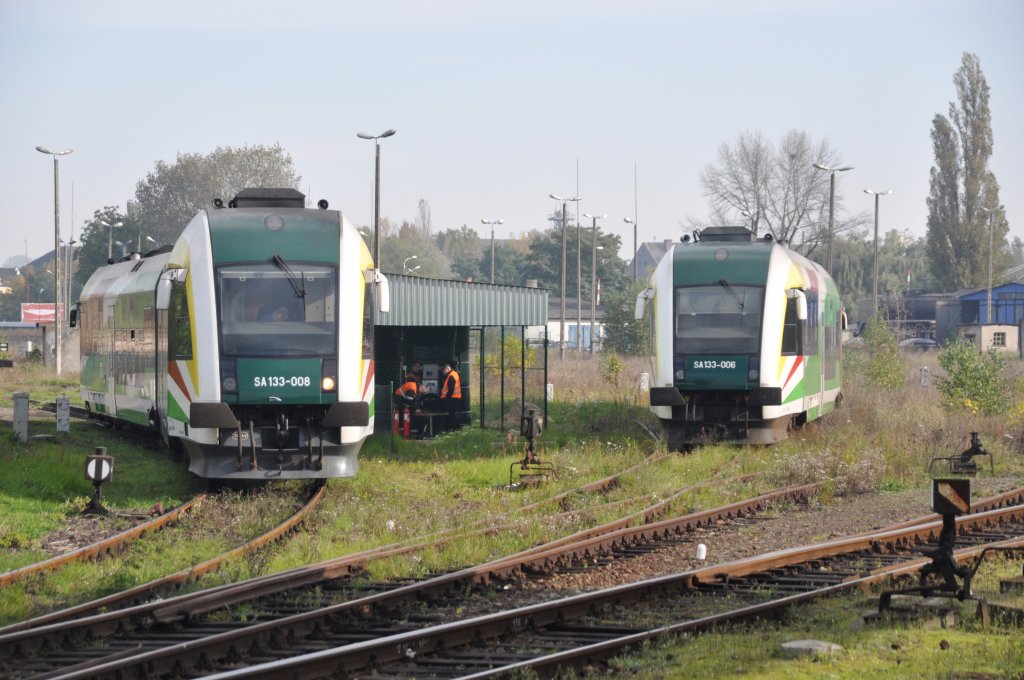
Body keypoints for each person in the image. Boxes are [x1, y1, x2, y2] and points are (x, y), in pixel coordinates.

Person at [438, 361, 462, 432]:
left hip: (452, 399)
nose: (443, 372)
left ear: (447, 369)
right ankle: (453, 429)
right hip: (455, 398)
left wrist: (446, 398)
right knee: (452, 414)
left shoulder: (451, 375)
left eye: (443, 370)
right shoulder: (453, 374)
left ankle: (452, 429)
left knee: (452, 415)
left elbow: (451, 389)